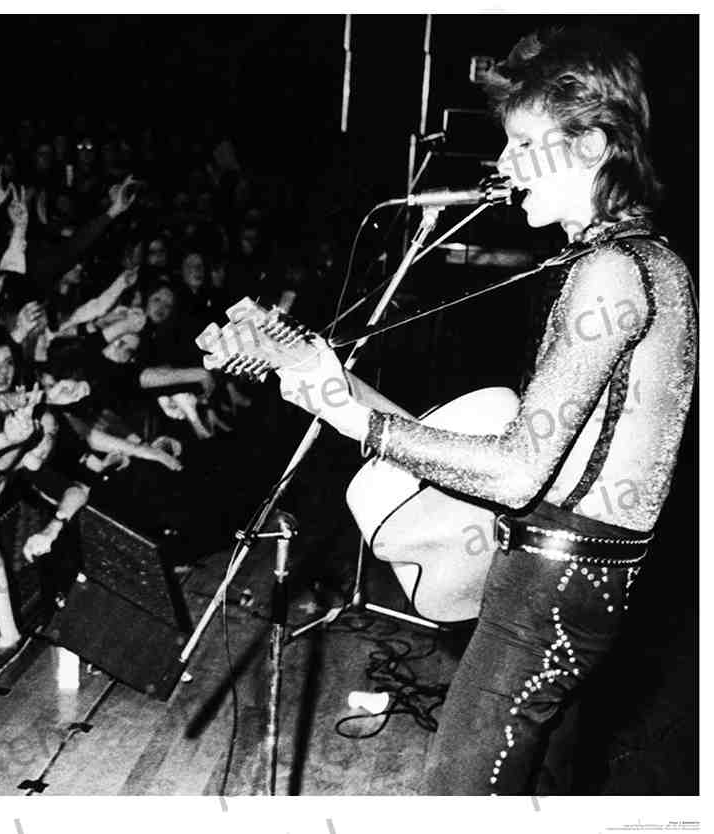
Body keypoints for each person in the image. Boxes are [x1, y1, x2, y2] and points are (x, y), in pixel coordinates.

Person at [272, 28, 695, 795]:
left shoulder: (609, 271)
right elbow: (542, 458)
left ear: (592, 145)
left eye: (523, 144)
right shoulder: (641, 259)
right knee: (539, 790)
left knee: (457, 796)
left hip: (549, 588)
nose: (500, 164)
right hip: (578, 581)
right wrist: (339, 394)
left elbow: (515, 471)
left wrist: (357, 420)